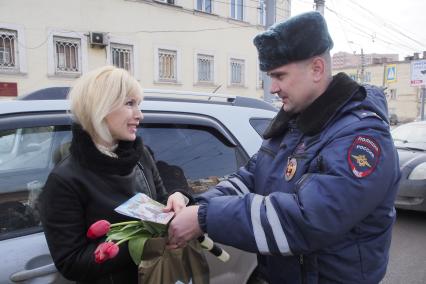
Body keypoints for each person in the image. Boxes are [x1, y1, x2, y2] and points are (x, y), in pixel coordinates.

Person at [168, 12, 400, 283]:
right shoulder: (294, 124)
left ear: (317, 69)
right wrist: (195, 204)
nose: (273, 88)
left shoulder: (360, 136)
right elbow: (251, 178)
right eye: (270, 76)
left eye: (279, 75)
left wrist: (204, 218)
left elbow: (307, 220)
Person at [39, 66, 188, 284]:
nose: (140, 115)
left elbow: (162, 200)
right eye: (130, 104)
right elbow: (71, 262)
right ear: (101, 108)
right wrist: (143, 244)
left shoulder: (140, 155)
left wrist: (178, 197)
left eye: (139, 104)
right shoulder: (65, 180)